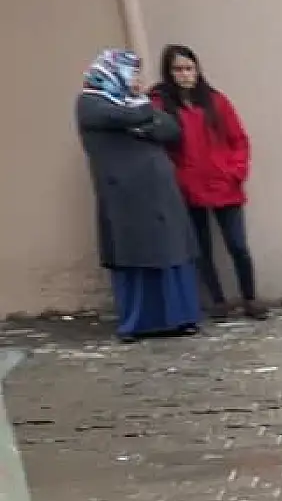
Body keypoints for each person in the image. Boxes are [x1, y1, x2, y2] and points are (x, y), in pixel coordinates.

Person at [75, 49, 201, 343]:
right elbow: (128, 115)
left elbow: (170, 129)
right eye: (131, 73)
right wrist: (141, 118)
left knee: (172, 252)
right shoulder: (90, 102)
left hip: (160, 197)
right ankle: (138, 323)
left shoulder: (134, 101)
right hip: (124, 198)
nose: (135, 80)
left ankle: (180, 318)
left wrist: (140, 125)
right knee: (135, 256)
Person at [151, 44, 267, 321]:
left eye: (189, 68)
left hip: (224, 185)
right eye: (178, 69)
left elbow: (239, 139)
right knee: (202, 249)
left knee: (237, 245)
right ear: (169, 73)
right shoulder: (162, 105)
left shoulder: (216, 101)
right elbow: (159, 143)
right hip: (189, 187)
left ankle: (250, 297)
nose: (184, 75)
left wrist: (235, 171)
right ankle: (218, 301)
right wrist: (179, 177)